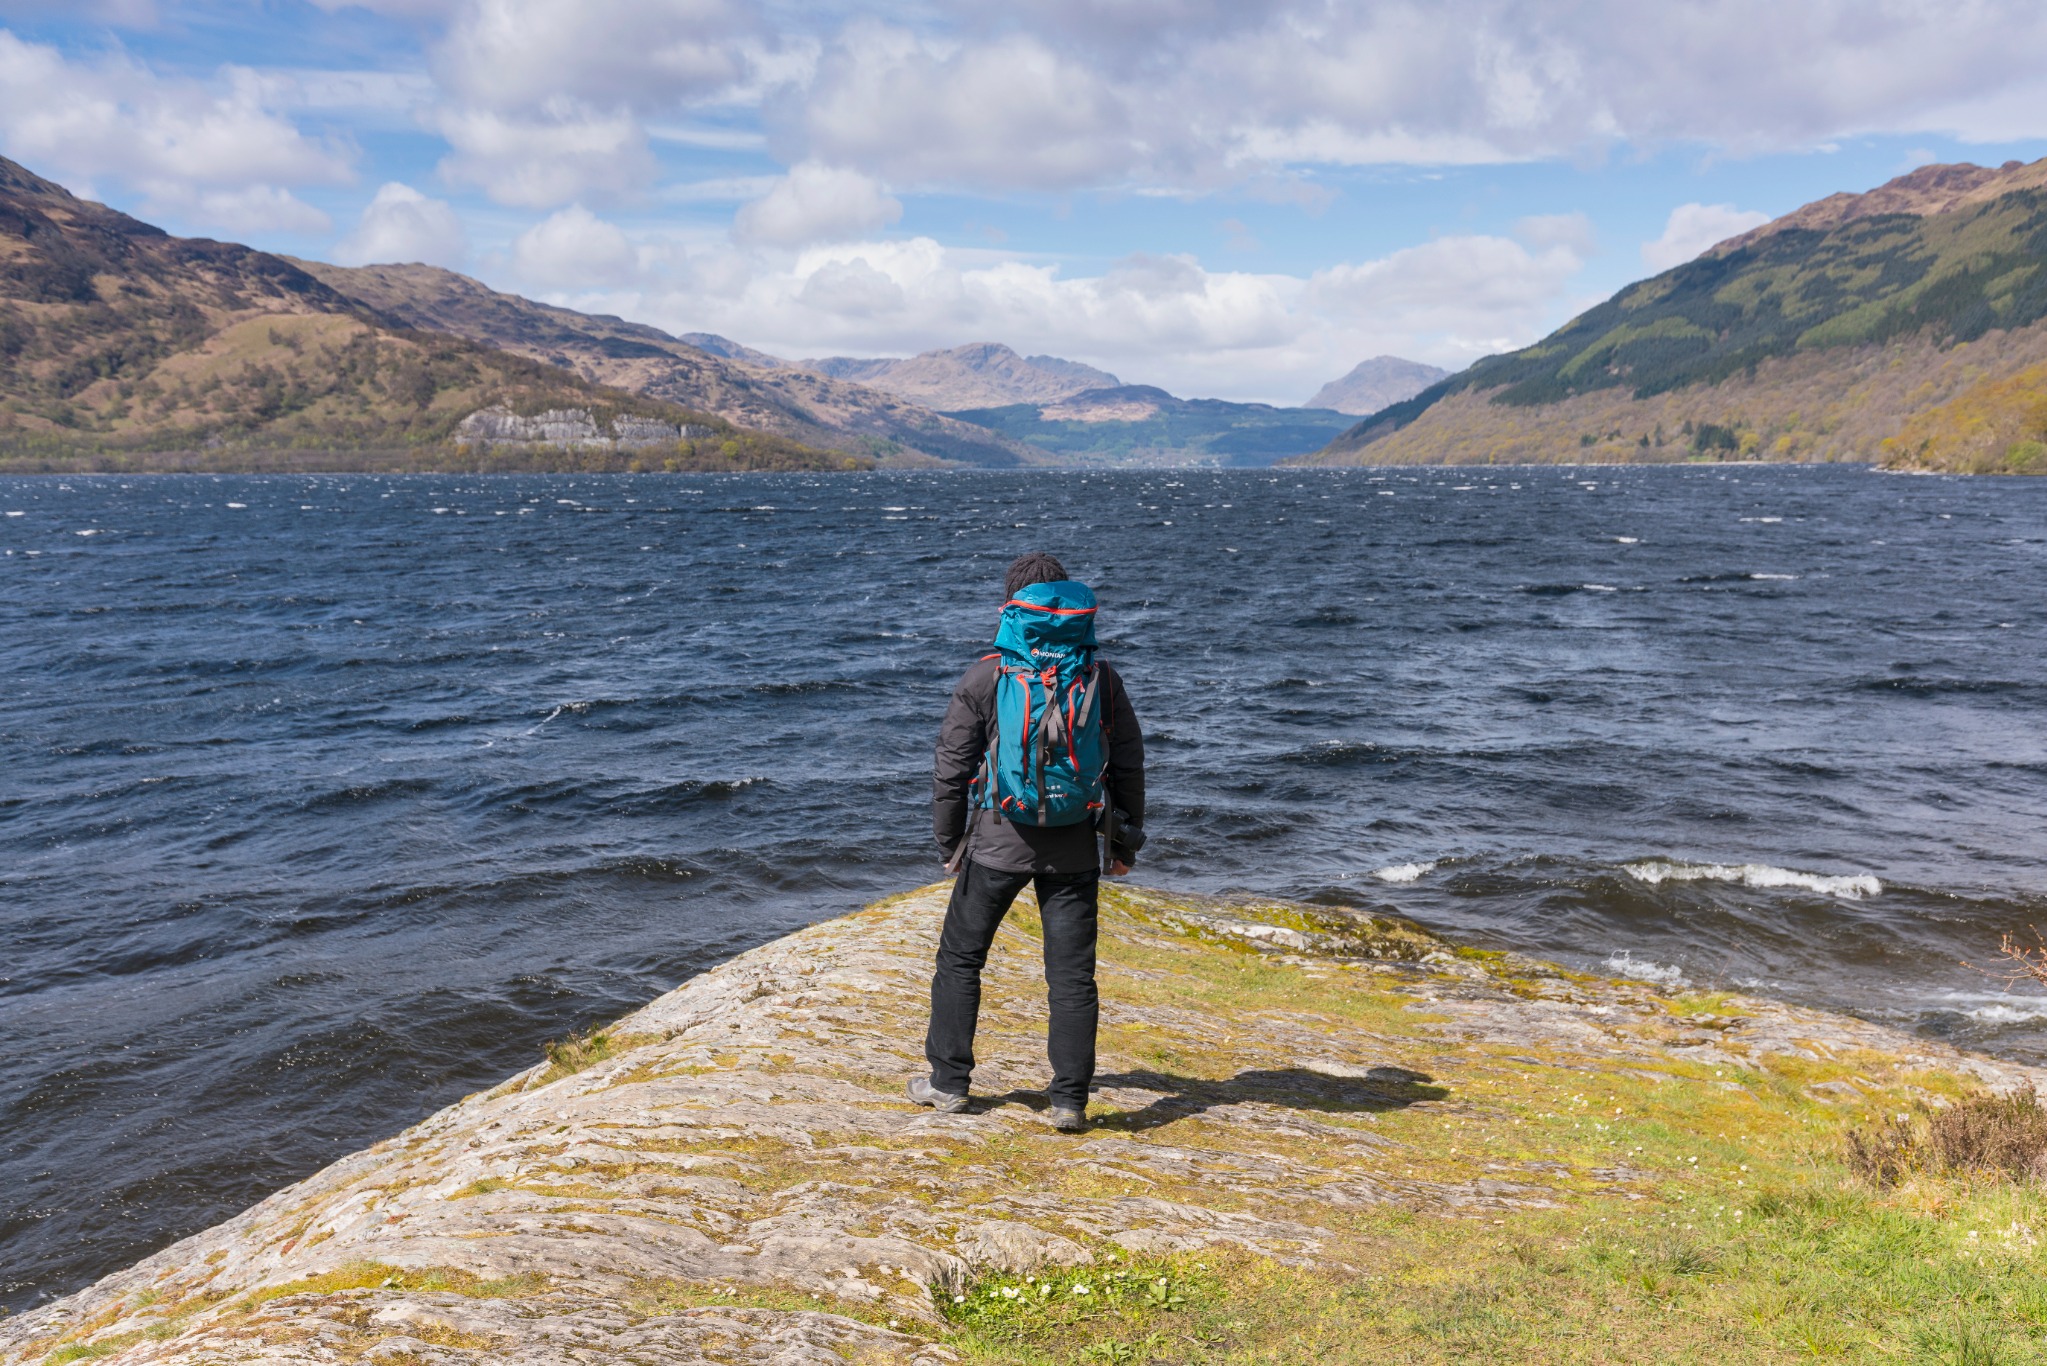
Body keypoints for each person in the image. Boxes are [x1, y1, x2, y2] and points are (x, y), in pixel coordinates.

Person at [910, 552, 1145, 1132]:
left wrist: (948, 843)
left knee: (961, 959)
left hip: (994, 842)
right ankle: (1069, 1101)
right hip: (1073, 848)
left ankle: (948, 1084)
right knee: (1071, 976)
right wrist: (1122, 847)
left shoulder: (987, 675)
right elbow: (1129, 765)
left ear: (1011, 605)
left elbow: (951, 768)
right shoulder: (1101, 677)